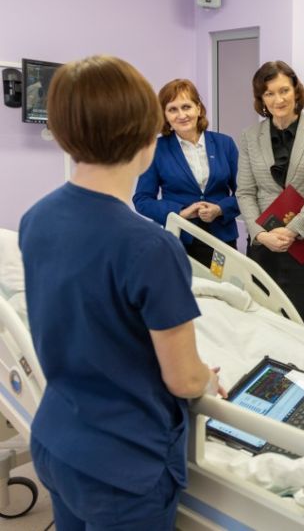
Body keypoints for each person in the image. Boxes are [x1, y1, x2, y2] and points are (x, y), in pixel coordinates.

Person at [19, 55, 222, 530]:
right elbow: (183, 380)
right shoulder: (150, 246)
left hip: (56, 442)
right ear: (147, 138)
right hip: (123, 469)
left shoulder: (36, 217)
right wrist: (208, 382)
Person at [236, 60, 304, 323]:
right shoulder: (249, 136)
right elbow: (245, 191)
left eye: (284, 90)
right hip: (264, 243)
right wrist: (260, 234)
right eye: (269, 93)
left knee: (303, 316)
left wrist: (293, 229)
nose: (278, 99)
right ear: (261, 99)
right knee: (263, 317)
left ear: (296, 91)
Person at [133, 79, 239, 266]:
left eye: (186, 107)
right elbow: (142, 200)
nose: (181, 115)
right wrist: (180, 212)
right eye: (173, 109)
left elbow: (245, 193)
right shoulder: (155, 150)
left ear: (198, 108)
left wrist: (220, 209)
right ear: (165, 115)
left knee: (224, 285)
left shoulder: (225, 144)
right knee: (183, 285)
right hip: (179, 241)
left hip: (222, 240)